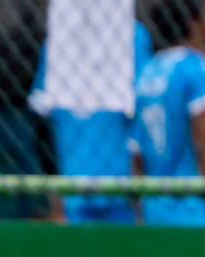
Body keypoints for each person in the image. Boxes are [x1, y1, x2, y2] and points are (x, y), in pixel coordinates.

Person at [28, 19, 153, 224]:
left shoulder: (131, 33)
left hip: (119, 186)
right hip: (78, 186)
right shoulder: (61, 36)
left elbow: (144, 109)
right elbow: (41, 119)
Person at [132, 0, 205, 227]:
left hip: (154, 203)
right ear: (194, 24)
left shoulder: (147, 72)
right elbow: (204, 141)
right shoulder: (199, 69)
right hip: (192, 204)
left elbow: (136, 152)